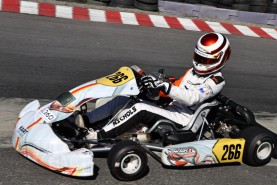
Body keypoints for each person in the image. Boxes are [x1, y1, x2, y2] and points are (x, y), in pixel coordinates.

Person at [78, 32, 232, 142]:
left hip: (184, 120)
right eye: (199, 57)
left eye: (205, 59)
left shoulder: (216, 81)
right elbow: (176, 86)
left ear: (220, 58)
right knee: (122, 100)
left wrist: (166, 87)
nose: (200, 62)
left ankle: (98, 137)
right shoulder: (192, 72)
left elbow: (192, 98)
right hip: (171, 109)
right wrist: (155, 84)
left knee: (140, 108)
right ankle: (85, 120)